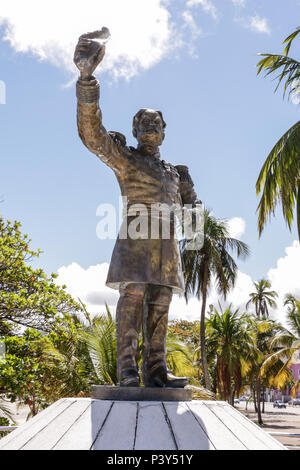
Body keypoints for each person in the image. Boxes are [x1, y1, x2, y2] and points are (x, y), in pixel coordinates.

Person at [74, 29, 201, 388]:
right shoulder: (125, 159)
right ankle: (128, 370)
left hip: (166, 247)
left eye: (155, 123)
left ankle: (156, 371)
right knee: (133, 299)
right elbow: (92, 136)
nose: (149, 126)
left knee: (160, 303)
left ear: (163, 132)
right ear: (134, 129)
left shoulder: (175, 173)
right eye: (143, 122)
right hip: (135, 241)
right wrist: (87, 80)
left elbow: (195, 218)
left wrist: (193, 203)